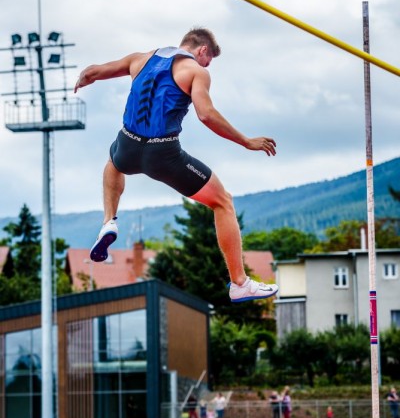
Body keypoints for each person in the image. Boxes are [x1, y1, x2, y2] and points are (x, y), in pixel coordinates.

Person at [74, 27, 279, 303]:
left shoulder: (140, 58)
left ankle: (109, 221)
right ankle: (239, 282)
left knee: (113, 163)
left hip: (129, 146)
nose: (206, 66)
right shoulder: (196, 71)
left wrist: (84, 78)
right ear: (202, 50)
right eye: (208, 60)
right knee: (222, 202)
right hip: (163, 155)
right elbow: (206, 115)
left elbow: (94, 72)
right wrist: (245, 141)